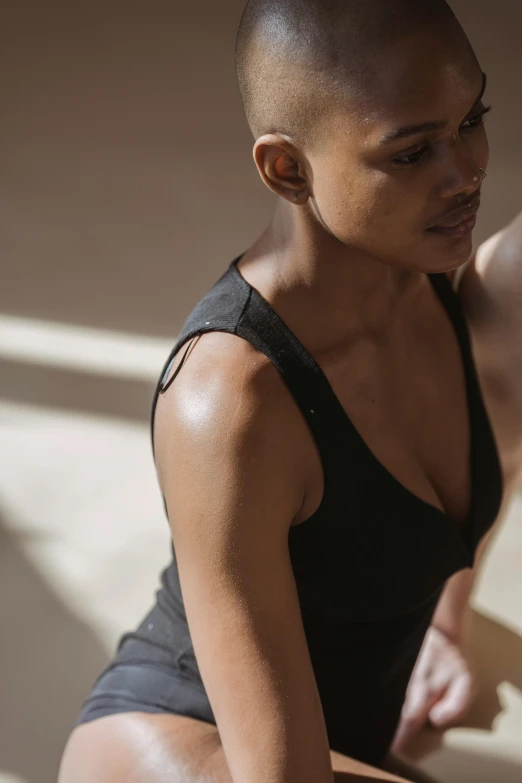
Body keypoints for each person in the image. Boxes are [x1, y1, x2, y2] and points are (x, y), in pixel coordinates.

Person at [58, 1, 522, 781]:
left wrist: (444, 625)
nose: (465, 171)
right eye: (411, 153)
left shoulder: (490, 300)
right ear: (288, 169)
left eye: (470, 118)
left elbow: (496, 459)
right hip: (192, 744)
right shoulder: (228, 403)